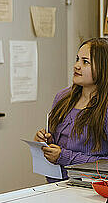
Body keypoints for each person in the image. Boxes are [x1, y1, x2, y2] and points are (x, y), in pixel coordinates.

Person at [34, 38, 108, 181]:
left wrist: (64, 156)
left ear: (102, 67)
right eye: (77, 59)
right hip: (55, 186)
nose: (76, 66)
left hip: (89, 193)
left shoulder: (105, 108)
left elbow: (105, 164)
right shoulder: (62, 97)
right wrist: (44, 142)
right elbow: (55, 144)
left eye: (85, 62)